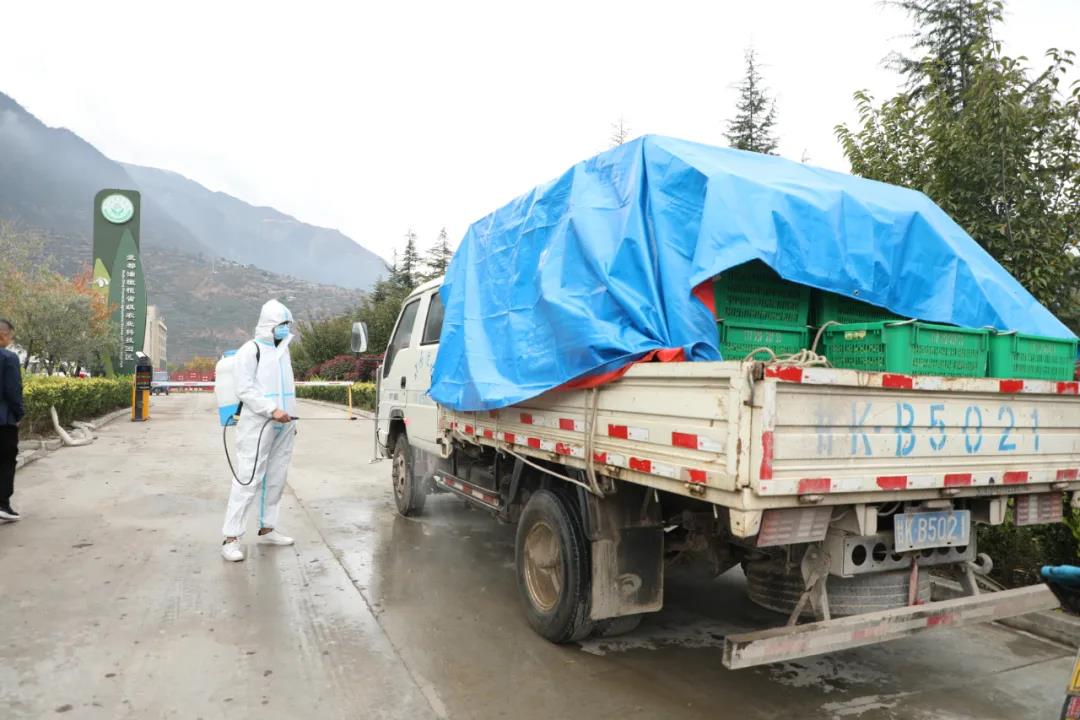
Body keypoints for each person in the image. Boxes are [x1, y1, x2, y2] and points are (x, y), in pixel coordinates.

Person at [220, 300, 298, 561]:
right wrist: (271, 409)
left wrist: (290, 419)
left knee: (276, 477)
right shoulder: (250, 350)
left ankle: (268, 528)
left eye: (287, 324)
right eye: (281, 324)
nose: (285, 328)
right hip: (258, 424)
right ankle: (231, 538)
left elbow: (288, 388)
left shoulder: (283, 351)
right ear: (268, 324)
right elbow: (245, 388)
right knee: (248, 478)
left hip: (284, 424)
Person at [0, 318, 24, 521]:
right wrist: (19, 414)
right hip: (3, 420)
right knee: (6, 461)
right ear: (3, 335)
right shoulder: (8, 358)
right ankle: (2, 505)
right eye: (10, 337)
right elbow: (12, 390)